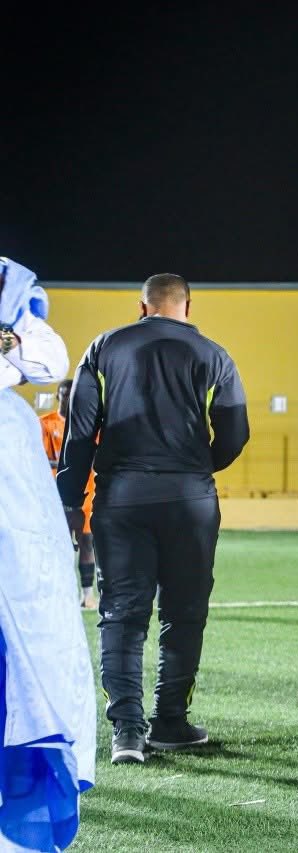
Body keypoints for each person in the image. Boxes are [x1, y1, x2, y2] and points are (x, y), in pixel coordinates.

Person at [57, 273, 250, 766]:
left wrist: (70, 499)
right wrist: (198, 465)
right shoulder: (215, 355)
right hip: (190, 499)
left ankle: (126, 731)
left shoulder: (102, 348)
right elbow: (235, 432)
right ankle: (170, 723)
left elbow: (79, 431)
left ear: (142, 307)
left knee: (122, 613)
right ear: (188, 306)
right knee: (184, 612)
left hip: (121, 499)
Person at [0, 257, 95, 852]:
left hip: (10, 486)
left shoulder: (9, 288)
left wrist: (6, 336)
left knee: (25, 636)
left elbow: (49, 357)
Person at [41, 379, 98, 608]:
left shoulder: (90, 423)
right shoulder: (45, 423)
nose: (68, 399)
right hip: (56, 495)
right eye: (64, 394)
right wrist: (66, 464)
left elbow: (97, 457)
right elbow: (40, 459)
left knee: (87, 541)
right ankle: (60, 592)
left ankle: (87, 595)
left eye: (72, 394)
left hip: (86, 491)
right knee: (58, 543)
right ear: (58, 396)